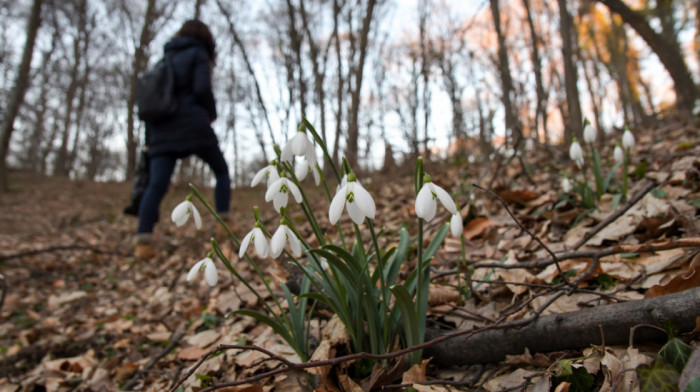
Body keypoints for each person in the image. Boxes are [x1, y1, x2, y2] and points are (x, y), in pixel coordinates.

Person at [134, 20, 230, 260]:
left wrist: (150, 139)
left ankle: (143, 242)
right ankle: (223, 223)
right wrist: (212, 113)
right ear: (206, 38)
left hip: (162, 129)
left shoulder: (164, 59)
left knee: (156, 185)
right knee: (221, 171)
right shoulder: (198, 54)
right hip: (192, 124)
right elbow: (201, 89)